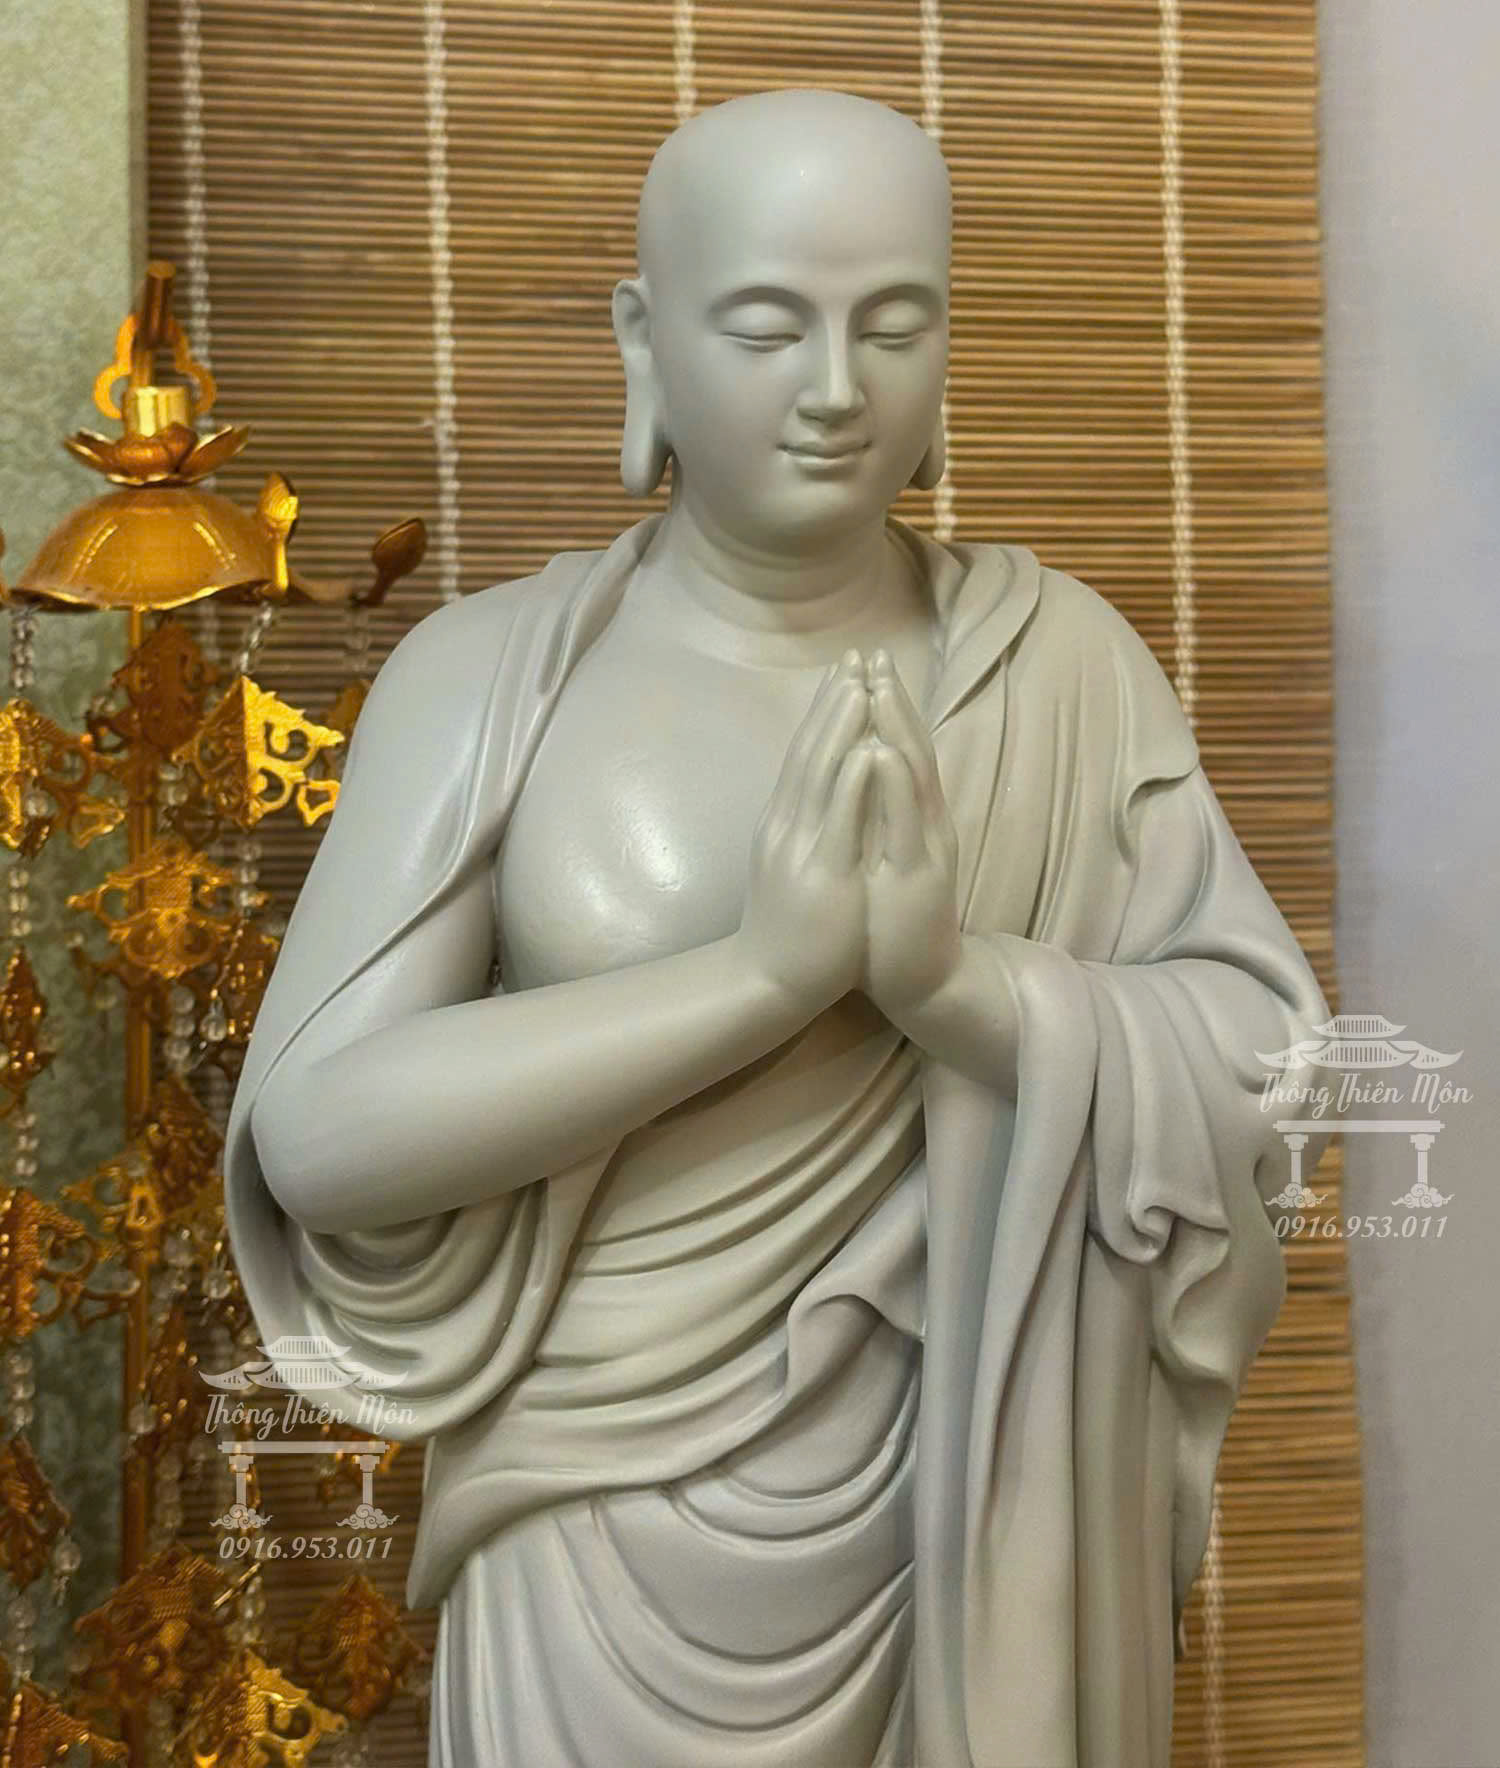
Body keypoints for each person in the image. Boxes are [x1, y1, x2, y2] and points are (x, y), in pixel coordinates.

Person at [226, 88, 1329, 1767]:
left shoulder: (1066, 671)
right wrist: (760, 979)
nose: (835, 389)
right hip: (589, 1525)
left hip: (977, 1498)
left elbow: (1270, 1065)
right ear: (644, 340)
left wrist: (958, 990)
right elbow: (318, 1137)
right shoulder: (492, 681)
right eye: (765, 327)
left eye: (896, 326)